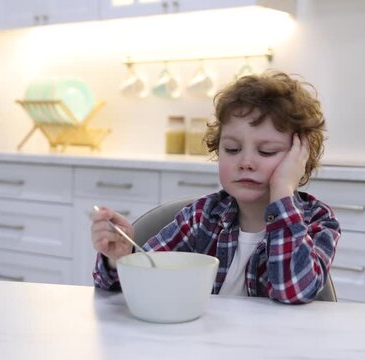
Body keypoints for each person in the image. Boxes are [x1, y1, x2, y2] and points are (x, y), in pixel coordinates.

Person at [91, 70, 340, 304]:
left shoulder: (317, 220)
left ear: (300, 159)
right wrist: (119, 259)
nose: (245, 162)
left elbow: (293, 290)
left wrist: (283, 190)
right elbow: (134, 283)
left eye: (267, 151)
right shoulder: (202, 217)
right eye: (232, 149)